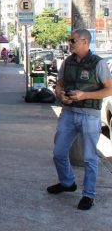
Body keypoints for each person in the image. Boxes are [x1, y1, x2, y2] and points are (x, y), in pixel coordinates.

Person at [47, 29, 112, 210]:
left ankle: (88, 195)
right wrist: (61, 95)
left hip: (89, 116)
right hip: (68, 112)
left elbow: (109, 89)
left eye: (72, 40)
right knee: (59, 152)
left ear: (85, 42)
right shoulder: (67, 62)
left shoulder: (98, 63)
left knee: (90, 158)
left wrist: (84, 95)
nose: (70, 43)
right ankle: (67, 183)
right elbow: (59, 84)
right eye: (69, 40)